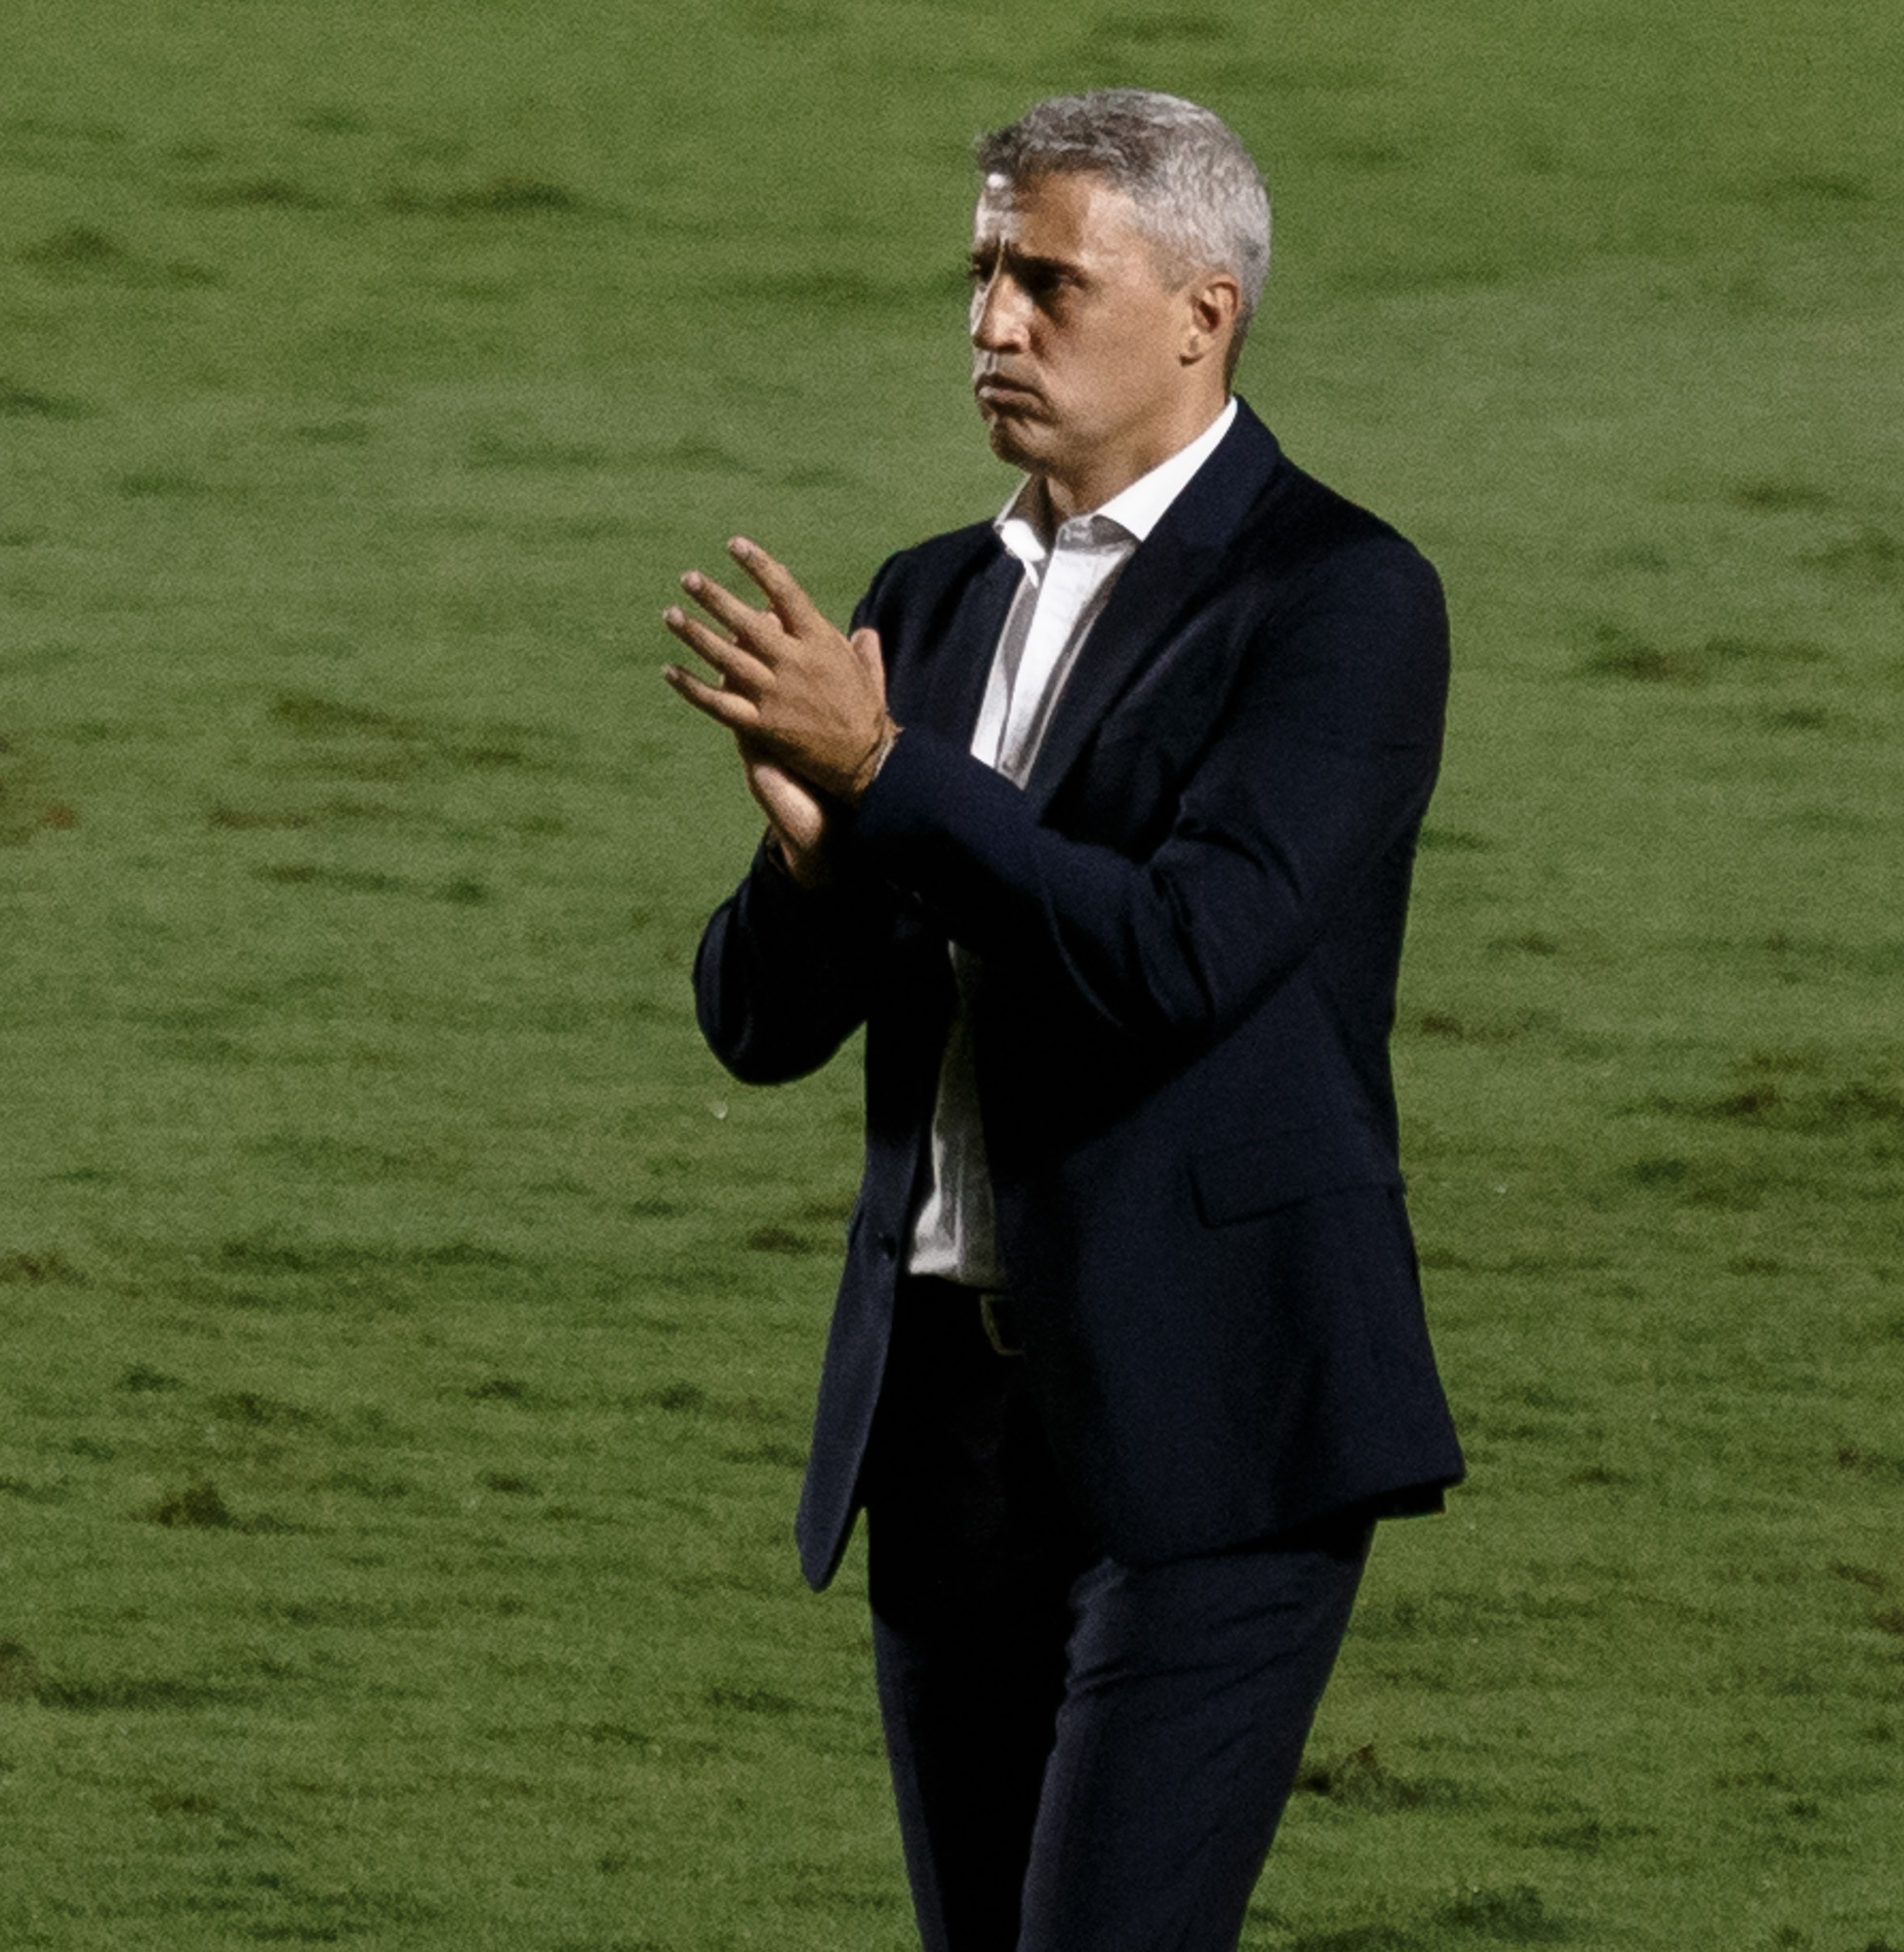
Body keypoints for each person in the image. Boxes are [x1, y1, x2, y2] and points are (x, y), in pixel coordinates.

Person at [661, 88, 1463, 1952]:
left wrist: (891, 781)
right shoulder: (922, 603)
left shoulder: (1339, 603)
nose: (989, 325)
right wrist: (812, 869)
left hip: (1212, 1424)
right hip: (943, 1428)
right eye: (979, 276)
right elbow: (756, 1029)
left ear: (1205, 314)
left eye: (1045, 281)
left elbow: (1182, 955)